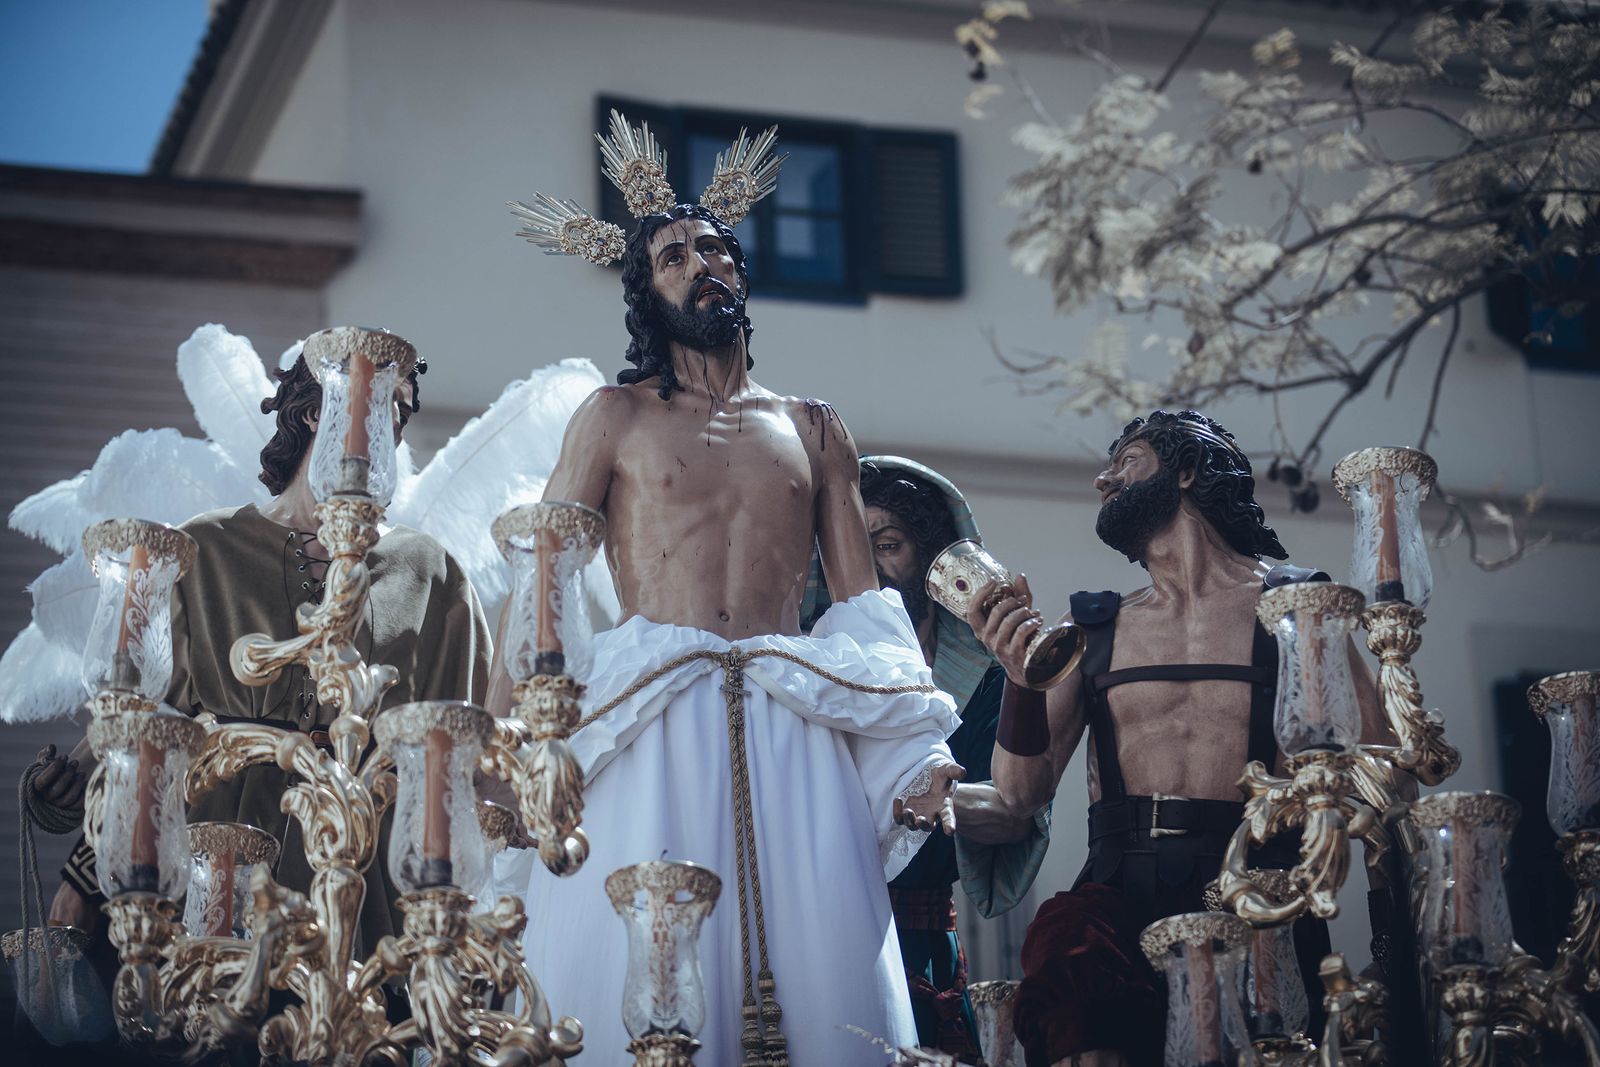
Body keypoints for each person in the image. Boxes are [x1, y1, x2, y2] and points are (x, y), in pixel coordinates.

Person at [494, 117, 962, 1067]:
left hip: (792, 711)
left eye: (713, 248)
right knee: (632, 946)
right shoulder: (613, 417)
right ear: (647, 290)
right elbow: (544, 575)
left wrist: (915, 743)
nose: (699, 262)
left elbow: (860, 598)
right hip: (648, 707)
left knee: (816, 943)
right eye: (672, 255)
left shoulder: (813, 425)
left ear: (739, 274)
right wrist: (504, 736)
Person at [29, 344, 492, 959]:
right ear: (310, 414)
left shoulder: (432, 572)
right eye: (378, 407)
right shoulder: (204, 549)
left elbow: (457, 758)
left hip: (359, 866)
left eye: (401, 415)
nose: (394, 429)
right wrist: (82, 868)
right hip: (212, 860)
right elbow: (146, 729)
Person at [965, 411, 1389, 1067]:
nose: (1104, 478)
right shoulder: (1094, 624)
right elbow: (1021, 791)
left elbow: (1391, 771)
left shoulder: (1294, 608)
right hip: (1118, 903)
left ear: (1186, 470)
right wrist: (1021, 681)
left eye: (1126, 459)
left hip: (1261, 897)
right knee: (1077, 994)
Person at [856, 457, 1043, 1059]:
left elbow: (1015, 807)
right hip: (840, 921)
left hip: (926, 930)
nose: (872, 567)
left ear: (932, 554)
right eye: (851, 548)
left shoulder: (984, 675)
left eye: (887, 545)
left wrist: (941, 798)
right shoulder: (820, 660)